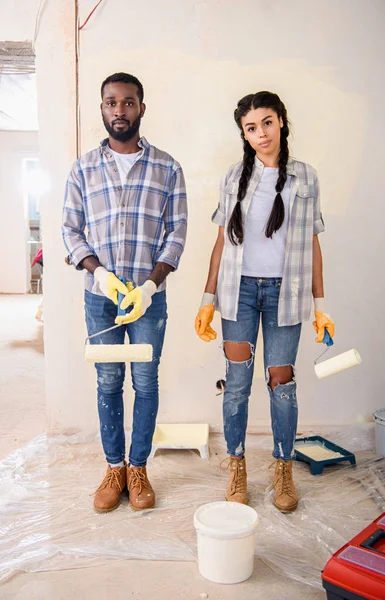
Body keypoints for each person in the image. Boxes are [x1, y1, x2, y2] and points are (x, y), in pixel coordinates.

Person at [195, 91, 334, 512]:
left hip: (285, 295)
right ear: (243, 133)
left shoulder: (305, 177)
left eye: (267, 123)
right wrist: (207, 299)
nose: (261, 133)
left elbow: (312, 243)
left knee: (282, 385)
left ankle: (283, 468)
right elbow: (221, 242)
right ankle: (236, 466)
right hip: (238, 293)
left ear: (281, 122)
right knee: (236, 385)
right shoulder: (233, 177)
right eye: (251, 127)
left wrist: (321, 303)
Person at [62, 72, 187, 513]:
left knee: (146, 381)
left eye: (128, 102)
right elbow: (70, 230)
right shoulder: (82, 169)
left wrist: (152, 285)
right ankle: (114, 467)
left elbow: (177, 233)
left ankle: (139, 468)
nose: (120, 110)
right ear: (102, 108)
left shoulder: (168, 167)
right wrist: (97, 273)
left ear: (141, 108)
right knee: (109, 380)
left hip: (148, 298)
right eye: (112, 103)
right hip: (101, 297)